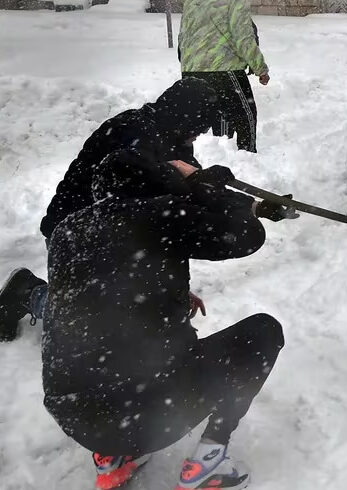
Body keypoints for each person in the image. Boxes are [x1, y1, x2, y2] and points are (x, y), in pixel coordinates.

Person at [43, 150, 292, 490]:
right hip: (145, 415)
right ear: (155, 184)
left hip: (74, 414)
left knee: (101, 354)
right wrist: (203, 183)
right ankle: (207, 469)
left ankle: (112, 458)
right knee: (264, 332)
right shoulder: (157, 214)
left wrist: (165, 288)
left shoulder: (68, 230)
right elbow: (246, 235)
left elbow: (95, 287)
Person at [0, 79, 221, 340]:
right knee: (96, 332)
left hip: (112, 232)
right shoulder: (134, 135)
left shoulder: (173, 137)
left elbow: (183, 198)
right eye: (199, 126)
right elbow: (141, 220)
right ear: (184, 116)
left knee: (136, 316)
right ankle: (27, 292)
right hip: (75, 233)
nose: (202, 133)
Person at [178, 0, 269, 153]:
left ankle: (221, 156)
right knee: (246, 116)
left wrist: (190, 65)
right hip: (225, 70)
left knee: (220, 116)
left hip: (192, 71)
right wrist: (260, 68)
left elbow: (183, 37)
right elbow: (244, 38)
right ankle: (248, 158)